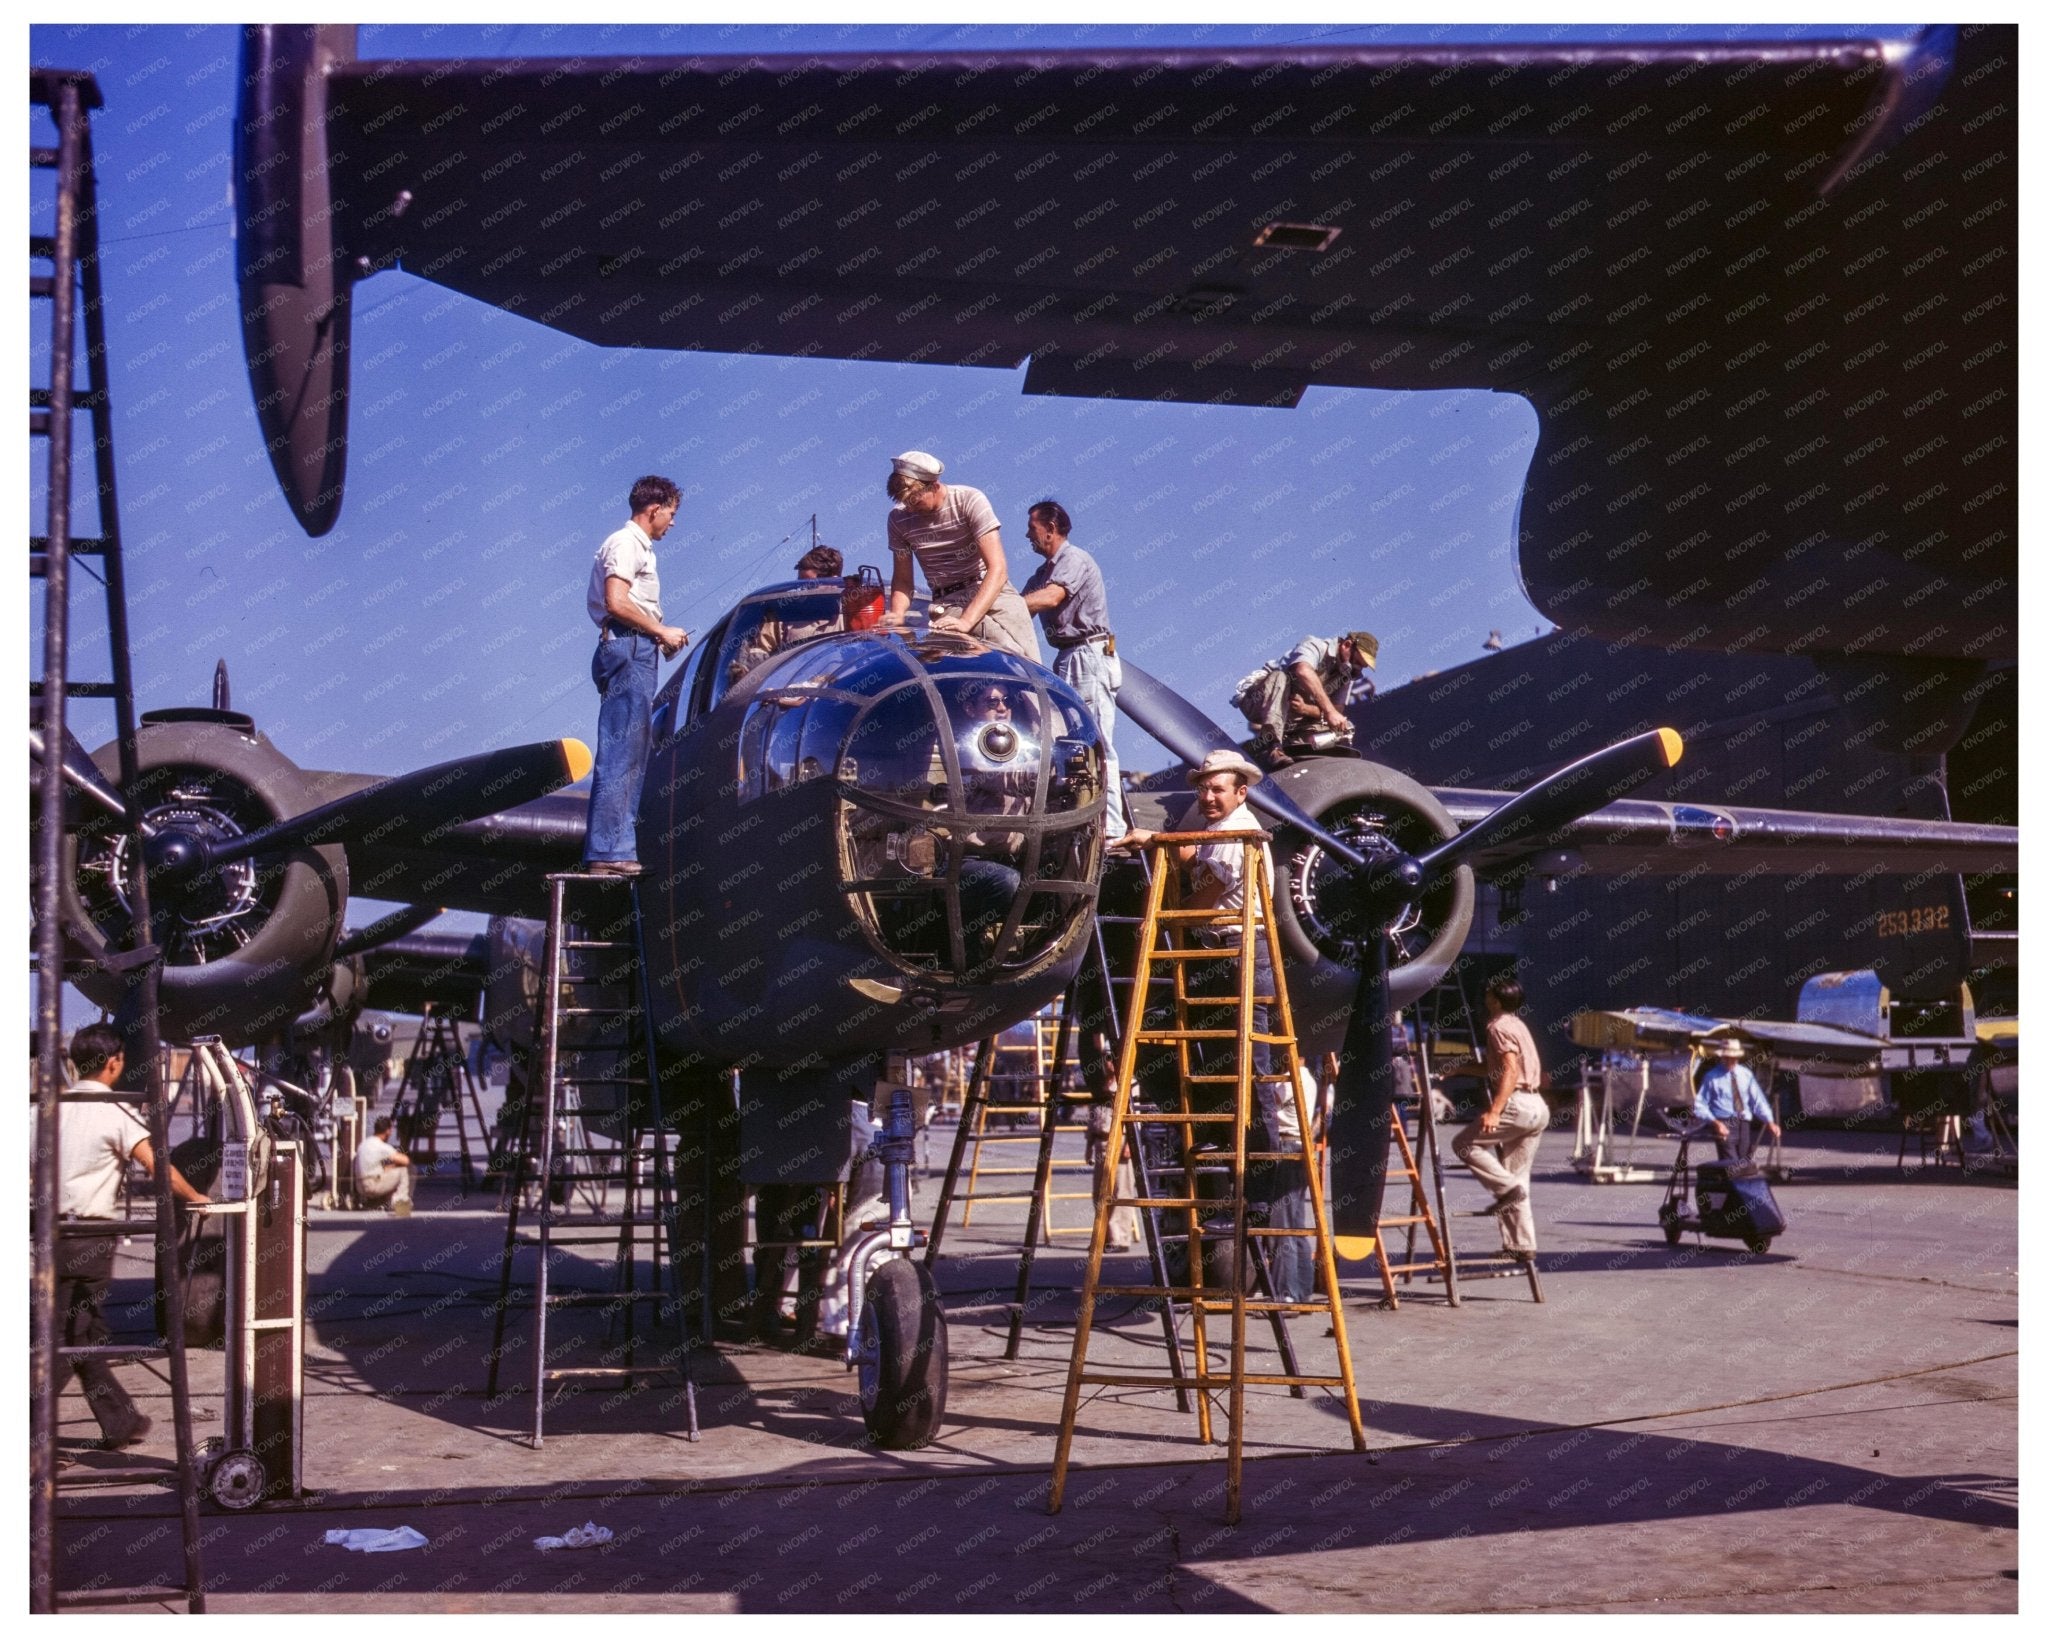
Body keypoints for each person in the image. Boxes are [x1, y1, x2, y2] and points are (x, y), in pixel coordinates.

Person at [56, 1023, 209, 1448]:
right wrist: (195, 1195)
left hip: (51, 1233)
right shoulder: (117, 1110)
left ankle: (120, 1421)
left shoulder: (46, 1109)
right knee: (64, 1338)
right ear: (114, 1062)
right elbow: (156, 1165)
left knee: (87, 1330)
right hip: (90, 1235)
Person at [584, 475, 690, 877]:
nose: (673, 523)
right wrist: (660, 630)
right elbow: (616, 600)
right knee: (623, 750)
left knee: (630, 748)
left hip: (635, 647)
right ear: (654, 510)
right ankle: (609, 853)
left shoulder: (634, 545)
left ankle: (612, 849)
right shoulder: (628, 544)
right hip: (629, 648)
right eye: (672, 514)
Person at [1020, 499, 1125, 839]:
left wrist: (1003, 604)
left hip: (1087, 655)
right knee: (1069, 744)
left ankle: (1110, 827)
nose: (1027, 535)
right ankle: (1081, 821)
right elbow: (1016, 605)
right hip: (1066, 657)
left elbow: (1049, 599)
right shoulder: (1042, 573)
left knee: (1095, 742)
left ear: (1050, 530)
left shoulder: (1073, 561)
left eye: (1032, 529)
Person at [882, 451, 1040, 661]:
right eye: (906, 503)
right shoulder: (898, 519)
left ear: (935, 486)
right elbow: (903, 580)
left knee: (1031, 669)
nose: (911, 509)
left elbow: (998, 568)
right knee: (1006, 658)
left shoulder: (969, 500)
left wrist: (967, 620)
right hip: (949, 604)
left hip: (996, 595)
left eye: (916, 502)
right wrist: (898, 613)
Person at [1452, 976, 1548, 1261]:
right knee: (1517, 1174)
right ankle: (1522, 1245)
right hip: (1537, 1106)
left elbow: (1508, 1071)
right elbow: (1495, 1069)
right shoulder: (1518, 1025)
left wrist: (1495, 1110)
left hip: (1517, 1103)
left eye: (1487, 995)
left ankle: (1507, 1190)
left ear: (1495, 1000)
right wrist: (1459, 1070)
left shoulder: (1497, 1027)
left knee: (1463, 1144)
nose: (1484, 999)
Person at [1231, 631, 1379, 767]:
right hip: (1258, 701)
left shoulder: (1347, 673)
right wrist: (1328, 711)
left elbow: (1337, 710)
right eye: (1358, 662)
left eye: (1362, 666)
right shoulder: (1316, 646)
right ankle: (1274, 747)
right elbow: (1302, 670)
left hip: (1291, 716)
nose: (1358, 668)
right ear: (1347, 645)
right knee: (1280, 677)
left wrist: (1306, 709)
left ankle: (1283, 747)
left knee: (1340, 726)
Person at [1692, 1038, 1780, 1161]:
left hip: (1743, 1123)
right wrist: (1716, 1123)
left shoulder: (1746, 1075)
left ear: (1738, 1058)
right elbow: (1699, 1105)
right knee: (1730, 1163)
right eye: (1726, 1058)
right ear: (1721, 1057)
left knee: (1744, 1163)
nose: (1730, 1061)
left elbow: (1758, 1100)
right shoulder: (1711, 1077)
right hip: (1723, 1123)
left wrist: (1770, 1122)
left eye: (1733, 1058)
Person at [353, 1115, 414, 1216]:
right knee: (404, 1170)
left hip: (360, 1186)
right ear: (388, 1131)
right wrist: (396, 1164)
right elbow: (406, 1161)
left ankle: (377, 1202)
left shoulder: (365, 1143)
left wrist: (391, 1167)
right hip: (372, 1185)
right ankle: (401, 1205)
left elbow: (378, 1168)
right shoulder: (381, 1146)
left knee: (389, 1172)